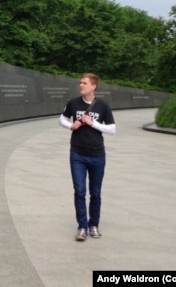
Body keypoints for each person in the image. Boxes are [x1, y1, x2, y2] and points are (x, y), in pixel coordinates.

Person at [59, 73, 116, 241]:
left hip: (97, 155)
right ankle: (82, 227)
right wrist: (71, 125)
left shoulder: (103, 106)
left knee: (96, 193)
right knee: (79, 191)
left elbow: (112, 129)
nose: (81, 85)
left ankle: (94, 225)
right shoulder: (73, 103)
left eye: (84, 83)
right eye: (80, 83)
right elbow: (61, 119)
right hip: (77, 154)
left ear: (94, 86)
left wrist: (93, 123)